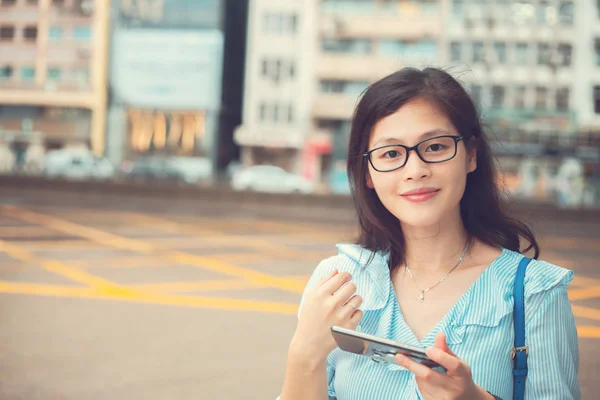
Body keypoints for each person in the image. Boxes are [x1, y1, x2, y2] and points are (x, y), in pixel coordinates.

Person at [279, 68, 580, 400]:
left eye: (435, 147)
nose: (416, 170)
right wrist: (304, 355)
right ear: (367, 173)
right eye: (391, 154)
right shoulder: (338, 282)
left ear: (471, 154)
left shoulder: (534, 293)